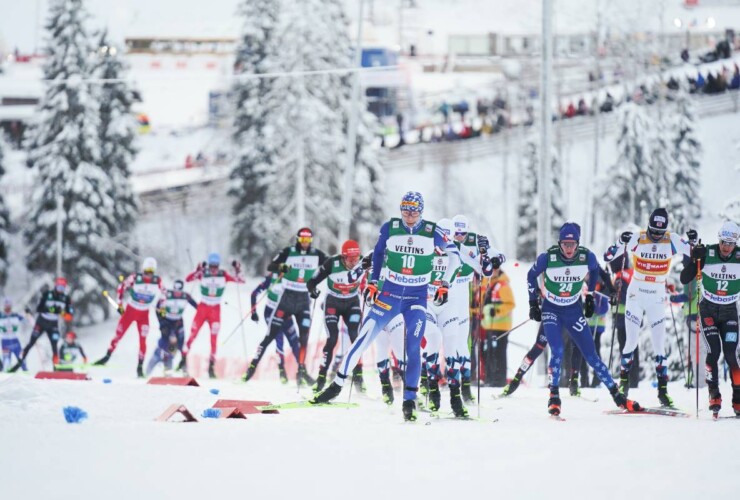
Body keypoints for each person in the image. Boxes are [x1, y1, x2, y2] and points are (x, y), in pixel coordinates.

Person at [311, 191, 462, 421]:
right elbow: (379, 253)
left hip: (416, 298)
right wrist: (372, 282)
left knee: (413, 347)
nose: (409, 216)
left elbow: (455, 259)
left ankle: (409, 401)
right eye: (405, 210)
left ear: (421, 211)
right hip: (389, 293)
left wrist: (444, 284)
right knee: (363, 337)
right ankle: (337, 385)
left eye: (413, 211)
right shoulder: (390, 227)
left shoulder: (433, 231)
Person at [527, 222, 640, 416]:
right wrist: (533, 302)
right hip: (551, 309)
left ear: (578, 244)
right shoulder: (548, 257)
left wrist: (589, 296)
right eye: (565, 244)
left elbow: (596, 271)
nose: (568, 249)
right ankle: (554, 396)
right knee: (558, 349)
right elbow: (531, 275)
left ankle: (617, 396)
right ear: (560, 243)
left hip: (573, 309)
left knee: (592, 356)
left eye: (572, 244)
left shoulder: (586, 256)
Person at [604, 208, 694, 406]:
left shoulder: (671, 239)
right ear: (648, 227)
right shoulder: (638, 238)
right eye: (653, 231)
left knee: (659, 346)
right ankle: (623, 386)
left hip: (656, 297)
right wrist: (621, 242)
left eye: (659, 233)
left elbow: (695, 255)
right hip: (636, 295)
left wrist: (694, 242)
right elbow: (608, 256)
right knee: (631, 342)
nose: (656, 236)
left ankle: (663, 392)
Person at [245, 228, 326, 385]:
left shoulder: (316, 254)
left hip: (303, 300)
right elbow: (271, 266)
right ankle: (251, 369)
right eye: (302, 240)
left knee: (303, 338)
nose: (305, 243)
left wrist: (315, 284)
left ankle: (302, 373)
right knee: (271, 336)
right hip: (287, 298)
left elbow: (329, 266)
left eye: (308, 240)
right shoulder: (288, 251)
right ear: (297, 239)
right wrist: (282, 267)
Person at [679, 221, 740, 417]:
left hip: (730, 311)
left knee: (732, 355)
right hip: (708, 310)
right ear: (719, 240)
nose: (726, 247)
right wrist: (694, 259)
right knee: (713, 351)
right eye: (723, 242)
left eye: (730, 243)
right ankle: (714, 395)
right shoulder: (708, 253)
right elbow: (684, 278)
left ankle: (738, 399)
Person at [450, 214, 503, 402]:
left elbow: (498, 256)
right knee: (446, 340)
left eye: (463, 233)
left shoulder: (473, 239)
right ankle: (432, 384)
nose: (459, 237)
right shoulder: (447, 240)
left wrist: (489, 252)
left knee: (465, 340)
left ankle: (465, 387)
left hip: (464, 291)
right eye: (456, 233)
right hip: (446, 291)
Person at [307, 240, 364, 393]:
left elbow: (377, 273)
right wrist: (312, 290)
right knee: (332, 339)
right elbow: (312, 280)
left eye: (356, 259)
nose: (354, 263)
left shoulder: (363, 262)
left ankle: (359, 380)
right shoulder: (332, 263)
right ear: (343, 257)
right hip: (333, 303)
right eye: (350, 259)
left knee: (355, 338)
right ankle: (320, 380)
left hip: (352, 303)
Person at [94, 257, 164, 377]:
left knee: (143, 340)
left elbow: (164, 294)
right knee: (118, 335)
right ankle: (107, 357)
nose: (149, 275)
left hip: (144, 314)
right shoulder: (136, 277)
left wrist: (161, 306)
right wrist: (119, 304)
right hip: (130, 312)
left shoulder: (157, 281)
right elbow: (121, 287)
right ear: (143, 270)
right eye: (147, 272)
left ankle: (140, 368)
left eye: (151, 272)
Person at [181, 253, 244, 378]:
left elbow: (240, 280)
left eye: (215, 266)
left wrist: (238, 270)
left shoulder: (223, 274)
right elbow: (187, 279)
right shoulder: (203, 273)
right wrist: (197, 270)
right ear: (209, 265)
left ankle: (211, 367)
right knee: (193, 333)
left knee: (214, 339)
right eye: (212, 266)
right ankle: (183, 360)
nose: (214, 269)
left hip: (215, 309)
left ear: (218, 265)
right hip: (202, 308)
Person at [9, 278, 74, 372]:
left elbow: (69, 316)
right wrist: (52, 309)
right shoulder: (47, 294)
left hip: (53, 325)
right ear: (55, 285)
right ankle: (19, 363)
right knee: (31, 343)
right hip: (41, 322)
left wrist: (62, 312)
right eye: (59, 286)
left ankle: (56, 369)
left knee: (55, 346)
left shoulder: (66, 298)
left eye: (62, 287)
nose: (60, 289)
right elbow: (39, 308)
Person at [248, 272, 301, 383]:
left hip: (286, 314)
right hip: (271, 313)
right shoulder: (272, 278)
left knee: (294, 341)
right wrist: (253, 312)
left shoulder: (292, 277)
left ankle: (302, 372)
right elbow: (254, 293)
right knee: (278, 338)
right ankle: (281, 371)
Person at [481, 267, 515, 387]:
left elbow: (510, 304)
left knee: (499, 353)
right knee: (490, 352)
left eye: (494, 269)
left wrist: (497, 311)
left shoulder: (503, 285)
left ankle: (499, 380)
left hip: (501, 326)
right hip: (491, 325)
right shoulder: (491, 284)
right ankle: (490, 378)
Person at [155, 279, 197, 373]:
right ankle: (167, 365)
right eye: (175, 290)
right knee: (167, 342)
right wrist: (162, 322)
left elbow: (196, 306)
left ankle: (183, 366)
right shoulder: (167, 295)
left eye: (179, 290)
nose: (177, 293)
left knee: (181, 344)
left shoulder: (185, 296)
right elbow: (158, 308)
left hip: (178, 321)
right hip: (167, 321)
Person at [0, 298, 27, 371]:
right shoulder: (1, 315)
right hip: (5, 341)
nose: (8, 309)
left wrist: (27, 312)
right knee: (6, 361)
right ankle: (6, 374)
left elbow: (25, 318)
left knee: (21, 358)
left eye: (9, 307)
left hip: (15, 340)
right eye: (6, 307)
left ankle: (26, 373)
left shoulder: (15, 315)